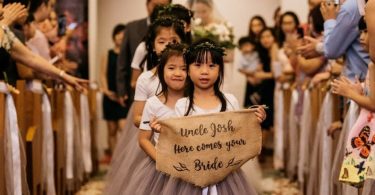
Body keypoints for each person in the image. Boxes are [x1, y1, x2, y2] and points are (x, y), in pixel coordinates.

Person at [103, 17, 187, 195]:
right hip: (152, 140)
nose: (167, 46)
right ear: (153, 45)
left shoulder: (187, 75)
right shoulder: (146, 78)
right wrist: (161, 124)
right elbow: (137, 117)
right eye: (161, 41)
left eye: (174, 41)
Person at [172, 39, 265, 194]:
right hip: (192, 177)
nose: (204, 71)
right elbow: (178, 143)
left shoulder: (230, 101)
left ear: (220, 69)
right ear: (187, 69)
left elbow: (239, 137)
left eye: (211, 66)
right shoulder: (182, 105)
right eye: (197, 65)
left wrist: (254, 122)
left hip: (226, 177)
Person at [0, 0, 87, 90]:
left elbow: (30, 58)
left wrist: (63, 76)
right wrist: (3, 25)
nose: (2, 10)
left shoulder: (6, 31)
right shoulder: (4, 27)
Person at [116, 0, 171, 107]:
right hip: (139, 92)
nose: (158, 9)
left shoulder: (174, 30)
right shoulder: (132, 28)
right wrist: (122, 91)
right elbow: (122, 61)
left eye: (163, 6)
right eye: (155, 5)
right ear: (147, 5)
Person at [298, 0, 369, 81]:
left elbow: (331, 50)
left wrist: (329, 20)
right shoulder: (355, 5)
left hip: (359, 82)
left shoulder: (350, 7)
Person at [99, 24, 128, 161]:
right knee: (111, 130)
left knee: (123, 128)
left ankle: (123, 159)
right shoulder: (107, 54)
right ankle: (114, 160)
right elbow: (103, 74)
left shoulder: (128, 55)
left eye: (123, 34)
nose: (120, 37)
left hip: (123, 97)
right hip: (109, 97)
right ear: (114, 36)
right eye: (118, 34)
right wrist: (106, 91)